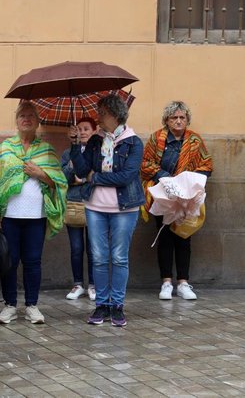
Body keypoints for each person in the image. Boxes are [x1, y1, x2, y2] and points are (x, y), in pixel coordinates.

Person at [0, 101, 68, 325]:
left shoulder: (47, 151)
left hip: (36, 217)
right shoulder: (5, 149)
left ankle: (32, 306)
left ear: (38, 121)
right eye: (22, 115)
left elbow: (58, 183)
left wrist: (40, 173)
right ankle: (10, 306)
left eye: (31, 115)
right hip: (9, 216)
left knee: (33, 262)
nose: (26, 119)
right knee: (9, 262)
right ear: (17, 121)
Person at [68, 94, 144, 327]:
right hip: (95, 207)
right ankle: (102, 305)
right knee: (99, 258)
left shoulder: (133, 142)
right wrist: (74, 147)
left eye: (101, 113)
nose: (97, 117)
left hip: (125, 208)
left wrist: (97, 177)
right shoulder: (94, 140)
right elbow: (82, 171)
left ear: (114, 114)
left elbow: (126, 177)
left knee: (119, 258)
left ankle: (117, 306)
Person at [141, 101, 213, 300]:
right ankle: (166, 283)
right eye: (174, 117)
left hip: (186, 196)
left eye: (182, 117)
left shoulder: (195, 141)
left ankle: (183, 282)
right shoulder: (156, 139)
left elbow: (207, 165)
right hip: (163, 193)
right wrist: (164, 176)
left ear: (187, 119)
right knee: (164, 236)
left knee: (184, 236)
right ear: (167, 120)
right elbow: (146, 163)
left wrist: (188, 180)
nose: (179, 121)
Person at [61, 117, 97, 301]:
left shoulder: (97, 151)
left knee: (92, 248)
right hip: (74, 202)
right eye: (80, 129)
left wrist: (82, 178)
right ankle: (77, 284)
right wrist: (72, 171)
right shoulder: (68, 153)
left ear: (94, 131)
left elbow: (95, 175)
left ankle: (92, 284)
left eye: (86, 129)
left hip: (92, 203)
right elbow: (63, 177)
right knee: (76, 247)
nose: (83, 132)